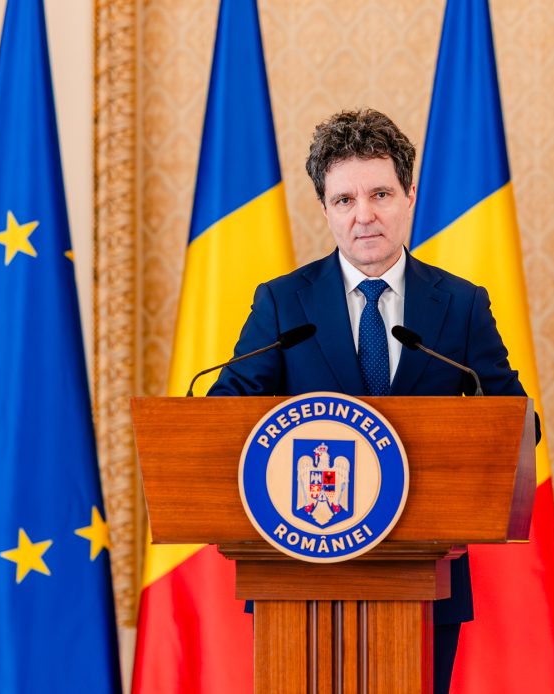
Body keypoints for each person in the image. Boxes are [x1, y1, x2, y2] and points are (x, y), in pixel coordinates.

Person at [209, 108, 528, 692]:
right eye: (344, 199)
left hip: (425, 577)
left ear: (409, 196)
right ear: (325, 209)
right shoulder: (284, 304)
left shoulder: (461, 305)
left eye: (380, 194)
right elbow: (222, 416)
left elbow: (516, 426)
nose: (364, 216)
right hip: (302, 573)